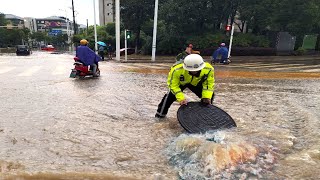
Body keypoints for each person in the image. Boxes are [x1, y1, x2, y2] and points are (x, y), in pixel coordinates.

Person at [155, 54, 215, 118]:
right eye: (191, 71)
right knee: (169, 97)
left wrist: (206, 97)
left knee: (209, 97)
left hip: (196, 82)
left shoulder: (209, 69)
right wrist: (181, 98)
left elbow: (208, 84)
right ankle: (160, 116)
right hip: (181, 83)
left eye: (196, 70)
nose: (194, 72)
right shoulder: (176, 70)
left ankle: (205, 115)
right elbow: (173, 85)